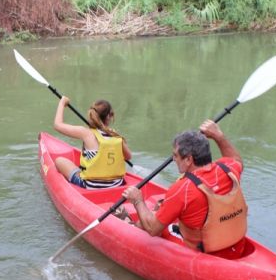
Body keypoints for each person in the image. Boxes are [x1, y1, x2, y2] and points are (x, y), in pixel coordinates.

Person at [121, 120, 248, 259]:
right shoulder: (228, 169)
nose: (174, 159)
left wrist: (138, 200)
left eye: (175, 155)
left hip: (206, 252)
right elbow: (236, 159)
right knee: (167, 213)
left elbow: (153, 229)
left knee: (146, 225)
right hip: (236, 246)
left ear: (188, 160)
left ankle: (129, 225)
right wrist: (219, 136)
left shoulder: (183, 189)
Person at [53, 96, 132, 189]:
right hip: (117, 184)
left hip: (90, 186)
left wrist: (62, 103)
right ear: (109, 116)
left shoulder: (86, 133)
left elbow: (57, 125)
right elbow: (128, 156)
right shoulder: (115, 135)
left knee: (59, 161)